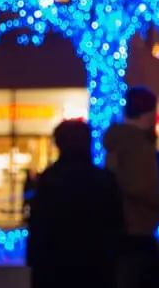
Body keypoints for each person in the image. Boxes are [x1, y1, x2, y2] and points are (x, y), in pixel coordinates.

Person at [27, 120, 125, 288]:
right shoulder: (103, 180)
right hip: (96, 266)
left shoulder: (49, 180)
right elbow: (116, 225)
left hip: (54, 268)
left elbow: (39, 227)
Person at [104, 87, 159, 288]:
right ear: (150, 113)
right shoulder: (138, 145)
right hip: (137, 227)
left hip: (119, 225)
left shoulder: (116, 140)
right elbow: (140, 186)